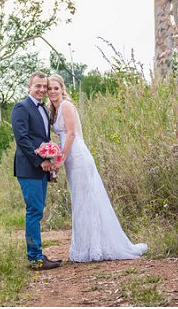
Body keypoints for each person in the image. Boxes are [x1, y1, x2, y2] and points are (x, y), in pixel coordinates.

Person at [47, 74, 148, 262]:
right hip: (69, 157)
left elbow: (71, 134)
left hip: (77, 155)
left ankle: (96, 247)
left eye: (56, 88)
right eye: (49, 88)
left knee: (88, 199)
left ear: (62, 89)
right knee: (80, 199)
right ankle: (87, 246)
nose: (52, 91)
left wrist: (60, 159)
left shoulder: (66, 106)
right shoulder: (54, 109)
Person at [11, 71, 63, 271]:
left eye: (44, 86)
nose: (42, 89)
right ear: (29, 87)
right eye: (38, 86)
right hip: (29, 167)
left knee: (38, 210)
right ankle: (35, 258)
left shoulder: (43, 109)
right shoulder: (21, 108)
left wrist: (50, 159)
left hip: (42, 167)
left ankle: (37, 254)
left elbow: (42, 139)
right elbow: (22, 139)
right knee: (34, 211)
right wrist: (39, 161)